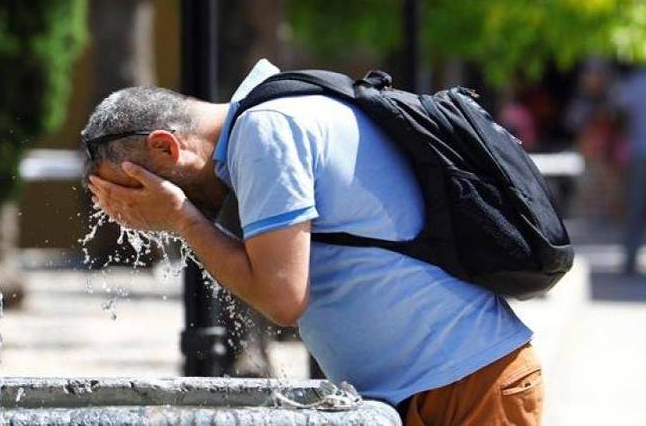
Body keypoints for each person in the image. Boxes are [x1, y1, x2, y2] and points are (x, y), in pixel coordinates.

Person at [83, 60, 543, 425]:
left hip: (464, 389)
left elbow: (283, 298)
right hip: (432, 386)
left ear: (166, 147)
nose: (135, 211)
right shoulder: (277, 115)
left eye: (135, 191)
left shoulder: (266, 131)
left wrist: (181, 218)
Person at [613, 66, 646, 275]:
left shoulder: (635, 82)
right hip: (640, 151)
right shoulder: (637, 81)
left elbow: (619, 113)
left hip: (640, 152)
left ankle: (630, 259)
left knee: (636, 208)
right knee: (636, 208)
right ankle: (630, 259)